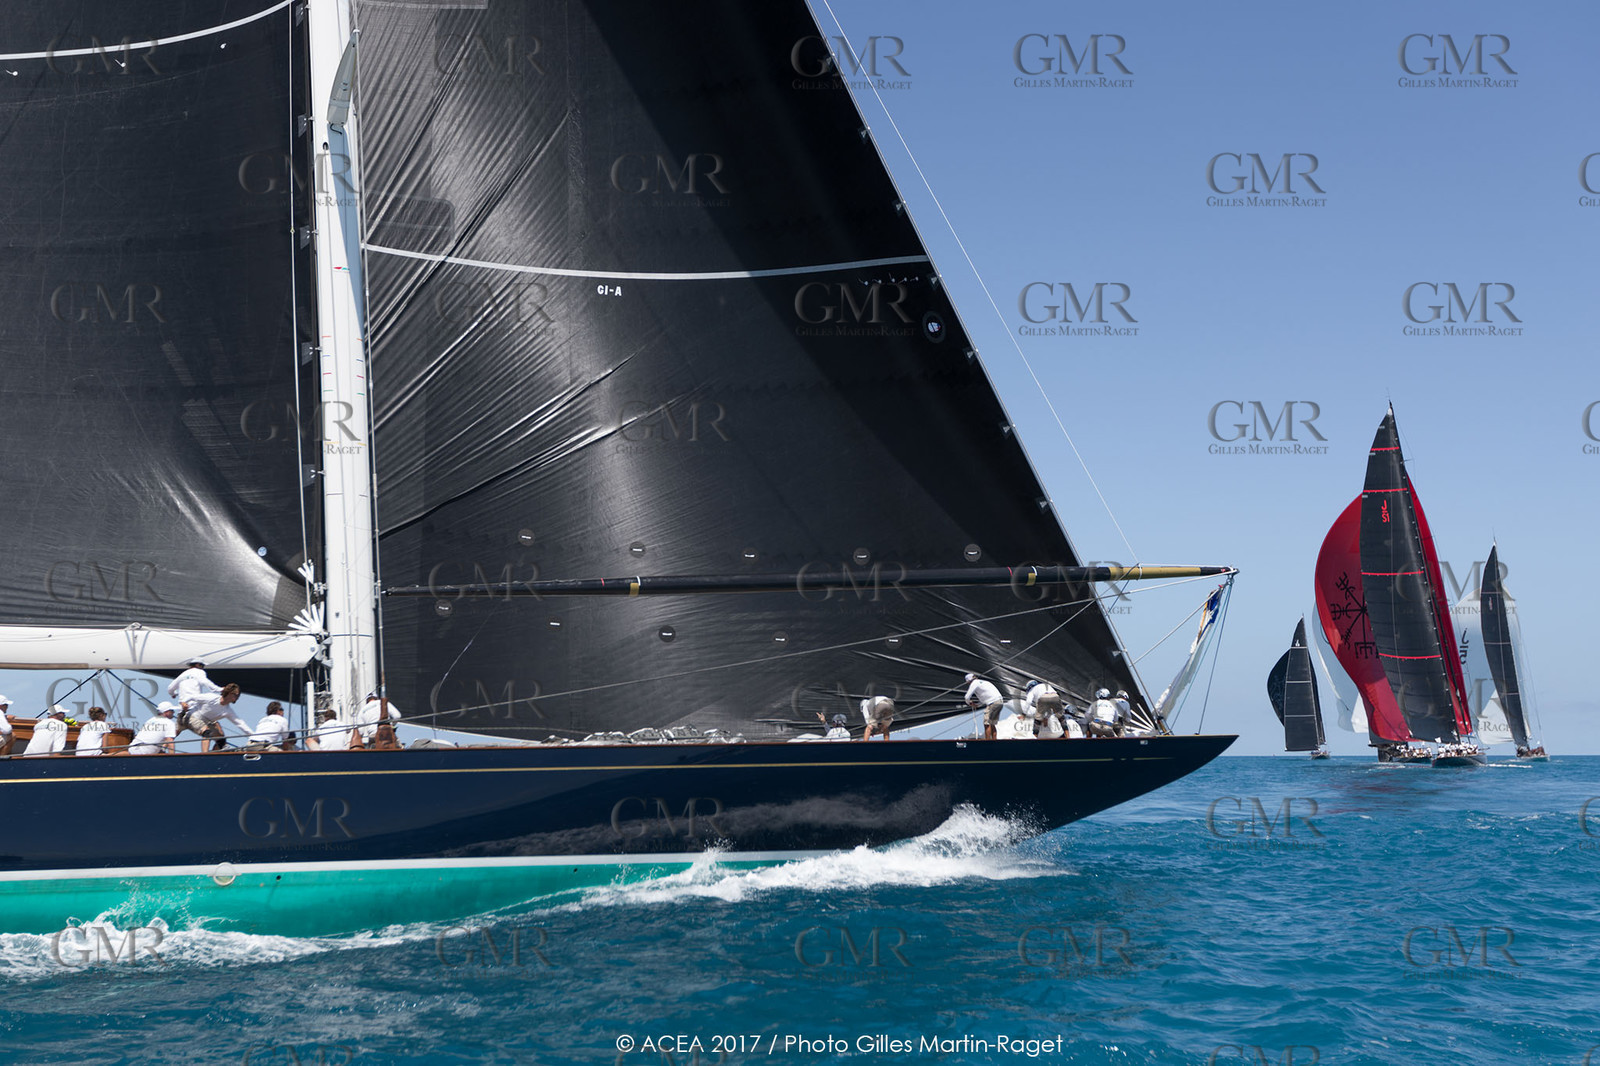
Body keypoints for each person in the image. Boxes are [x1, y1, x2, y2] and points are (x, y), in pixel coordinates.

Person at [182, 683, 247, 751]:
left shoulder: (227, 709)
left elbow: (240, 723)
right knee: (207, 732)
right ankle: (204, 754)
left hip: (208, 720)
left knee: (221, 739)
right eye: (236, 695)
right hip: (195, 717)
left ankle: (215, 753)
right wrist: (183, 703)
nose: (237, 697)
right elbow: (192, 697)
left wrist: (253, 736)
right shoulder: (211, 698)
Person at [963, 672, 1004, 741]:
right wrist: (977, 705)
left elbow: (967, 697)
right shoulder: (983, 682)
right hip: (999, 702)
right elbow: (983, 699)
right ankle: (994, 741)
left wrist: (969, 703)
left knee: (987, 724)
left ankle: (987, 742)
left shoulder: (974, 683)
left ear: (969, 681)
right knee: (992, 724)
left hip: (993, 703)